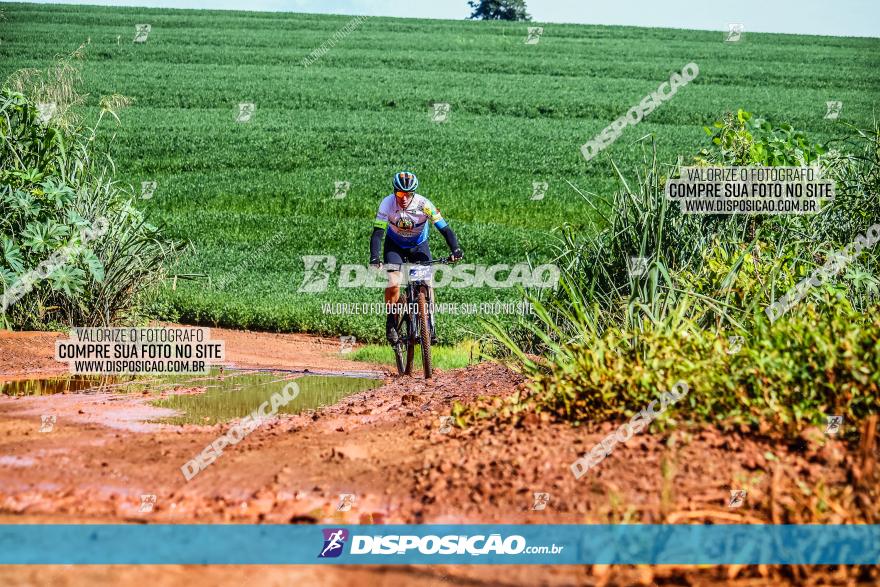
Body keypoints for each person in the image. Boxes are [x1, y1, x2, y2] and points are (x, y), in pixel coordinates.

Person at [369, 171, 462, 343]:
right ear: (394, 191)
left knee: (426, 284)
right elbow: (377, 234)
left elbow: (445, 229)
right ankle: (391, 321)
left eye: (408, 194)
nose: (403, 198)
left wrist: (455, 248)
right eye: (399, 193)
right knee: (393, 283)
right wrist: (374, 257)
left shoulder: (425, 205)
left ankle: (429, 323)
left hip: (418, 246)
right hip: (395, 245)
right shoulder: (386, 204)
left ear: (414, 193)